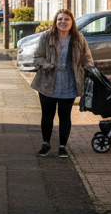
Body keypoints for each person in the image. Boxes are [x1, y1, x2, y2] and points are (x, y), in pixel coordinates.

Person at [30, 9, 93, 159]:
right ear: (55, 22)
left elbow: (87, 58)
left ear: (72, 22)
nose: (63, 22)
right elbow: (37, 57)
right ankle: (46, 144)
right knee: (47, 115)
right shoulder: (47, 37)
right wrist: (47, 65)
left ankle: (62, 147)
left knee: (65, 115)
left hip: (70, 83)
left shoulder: (79, 38)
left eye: (66, 19)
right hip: (47, 82)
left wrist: (91, 69)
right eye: (60, 19)